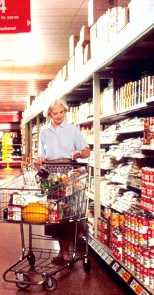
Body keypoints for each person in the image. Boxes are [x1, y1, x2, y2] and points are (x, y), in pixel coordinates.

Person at [35, 98, 90, 265]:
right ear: (49, 114)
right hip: (51, 175)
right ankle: (61, 250)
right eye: (55, 113)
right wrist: (40, 160)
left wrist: (79, 154)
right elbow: (41, 154)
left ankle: (67, 249)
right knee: (54, 212)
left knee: (68, 211)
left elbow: (87, 151)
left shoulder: (72, 129)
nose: (59, 116)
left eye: (61, 112)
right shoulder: (44, 132)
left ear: (65, 112)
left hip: (69, 173)